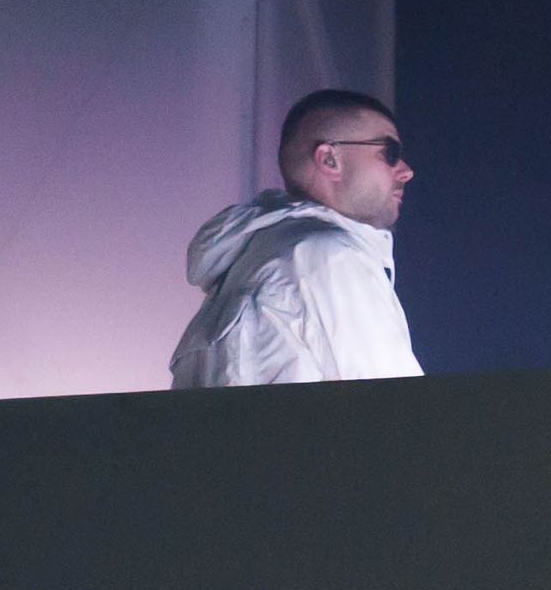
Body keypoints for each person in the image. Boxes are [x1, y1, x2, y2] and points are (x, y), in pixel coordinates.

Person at [170, 88, 424, 387]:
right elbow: (402, 412)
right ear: (329, 159)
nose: (406, 171)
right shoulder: (327, 258)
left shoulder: (254, 262)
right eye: (390, 153)